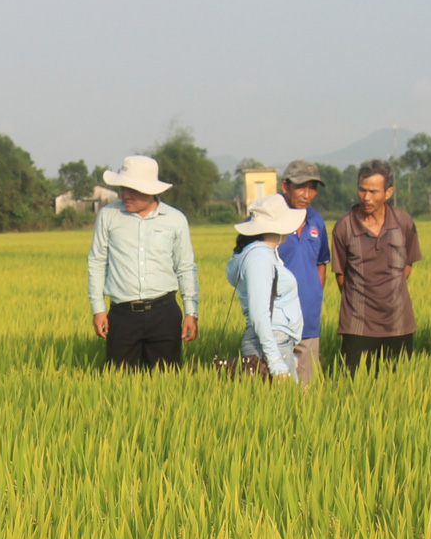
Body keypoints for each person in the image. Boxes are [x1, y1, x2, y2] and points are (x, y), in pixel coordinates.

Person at [87, 155, 199, 368]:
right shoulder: (108, 216)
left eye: (133, 190)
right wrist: (98, 308)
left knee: (167, 384)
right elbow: (97, 262)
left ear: (151, 190)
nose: (126, 195)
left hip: (164, 313)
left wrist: (191, 312)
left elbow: (185, 267)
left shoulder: (175, 220)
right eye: (123, 188)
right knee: (120, 387)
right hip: (122, 316)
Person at [330, 158, 422, 373]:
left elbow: (406, 266)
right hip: (358, 324)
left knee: (398, 387)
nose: (366, 198)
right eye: (362, 190)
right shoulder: (344, 226)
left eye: (373, 192)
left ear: (388, 192)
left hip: (399, 323)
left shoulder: (403, 222)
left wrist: (389, 290)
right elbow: (341, 275)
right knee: (353, 387)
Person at [226, 193, 305, 380]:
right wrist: (275, 358)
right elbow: (259, 313)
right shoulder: (259, 258)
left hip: (276, 342)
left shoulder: (266, 254)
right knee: (282, 407)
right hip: (270, 344)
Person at [274, 160, 331, 385]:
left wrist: (315, 294)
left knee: (309, 392)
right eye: (300, 187)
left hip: (308, 321)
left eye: (312, 188)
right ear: (285, 186)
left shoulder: (316, 220)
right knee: (276, 390)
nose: (306, 194)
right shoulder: (268, 220)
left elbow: (321, 263)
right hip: (276, 322)